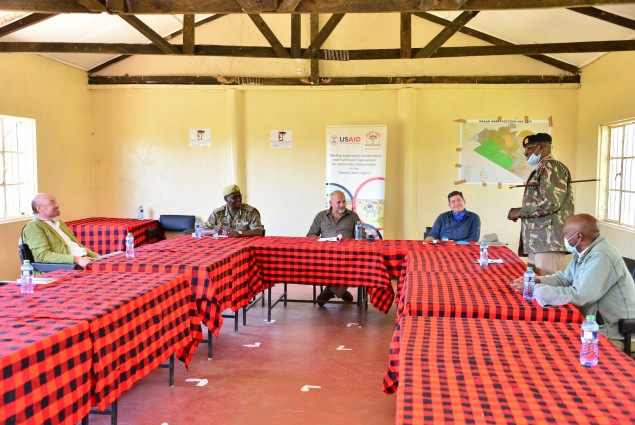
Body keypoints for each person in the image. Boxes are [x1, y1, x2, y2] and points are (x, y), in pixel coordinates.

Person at [511, 214, 635, 347]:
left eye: (565, 234)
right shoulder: (584, 252)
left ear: (578, 236)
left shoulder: (602, 256)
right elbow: (564, 278)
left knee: (550, 344)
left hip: (612, 334)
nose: (563, 238)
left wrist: (533, 289)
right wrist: (536, 281)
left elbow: (580, 295)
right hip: (591, 325)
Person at [507, 133, 574, 275]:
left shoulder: (552, 167)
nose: (525, 153)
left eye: (529, 148)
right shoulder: (542, 168)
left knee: (549, 289)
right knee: (533, 286)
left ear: (541, 147)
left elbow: (551, 202)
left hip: (548, 241)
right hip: (538, 241)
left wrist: (520, 211)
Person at [307, 190, 360, 305]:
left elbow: (361, 236)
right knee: (325, 264)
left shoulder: (353, 216)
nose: (342, 205)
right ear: (331, 202)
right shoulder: (321, 216)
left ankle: (329, 291)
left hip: (347, 255)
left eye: (344, 202)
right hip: (326, 254)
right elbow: (310, 235)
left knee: (348, 264)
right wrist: (321, 242)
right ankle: (341, 291)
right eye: (338, 202)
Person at [22, 193, 99, 269]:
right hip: (67, 269)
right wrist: (77, 259)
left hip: (84, 262)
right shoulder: (34, 227)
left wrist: (99, 258)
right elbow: (42, 256)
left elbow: (78, 246)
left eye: (56, 202)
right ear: (39, 208)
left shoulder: (59, 223)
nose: (57, 205)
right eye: (52, 203)